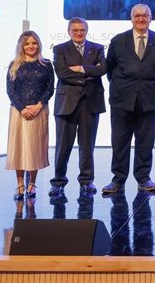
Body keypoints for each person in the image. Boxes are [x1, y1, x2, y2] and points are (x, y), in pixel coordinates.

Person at [102, 4, 155, 194]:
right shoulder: (118, 40)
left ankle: (144, 178)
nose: (141, 19)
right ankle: (118, 179)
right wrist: (123, 87)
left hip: (148, 100)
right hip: (122, 100)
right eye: (137, 16)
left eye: (144, 16)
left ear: (150, 18)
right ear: (131, 18)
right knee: (120, 141)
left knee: (145, 141)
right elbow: (110, 69)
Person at [49, 17, 107, 197]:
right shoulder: (60, 49)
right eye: (75, 30)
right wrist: (89, 72)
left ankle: (86, 181)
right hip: (67, 103)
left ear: (86, 31)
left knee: (87, 145)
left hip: (90, 102)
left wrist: (80, 68)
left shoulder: (97, 48)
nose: (78, 33)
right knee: (63, 146)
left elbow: (102, 69)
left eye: (81, 30)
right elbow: (62, 73)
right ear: (69, 32)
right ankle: (58, 182)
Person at [6, 31, 54, 200]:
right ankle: (20, 185)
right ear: (21, 46)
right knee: (19, 149)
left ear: (38, 44)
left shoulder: (46, 64)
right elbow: (10, 90)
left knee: (34, 149)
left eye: (34, 43)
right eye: (27, 43)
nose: (31, 46)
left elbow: (50, 87)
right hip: (19, 112)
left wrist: (39, 105)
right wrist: (22, 108)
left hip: (39, 111)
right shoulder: (14, 64)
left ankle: (32, 184)